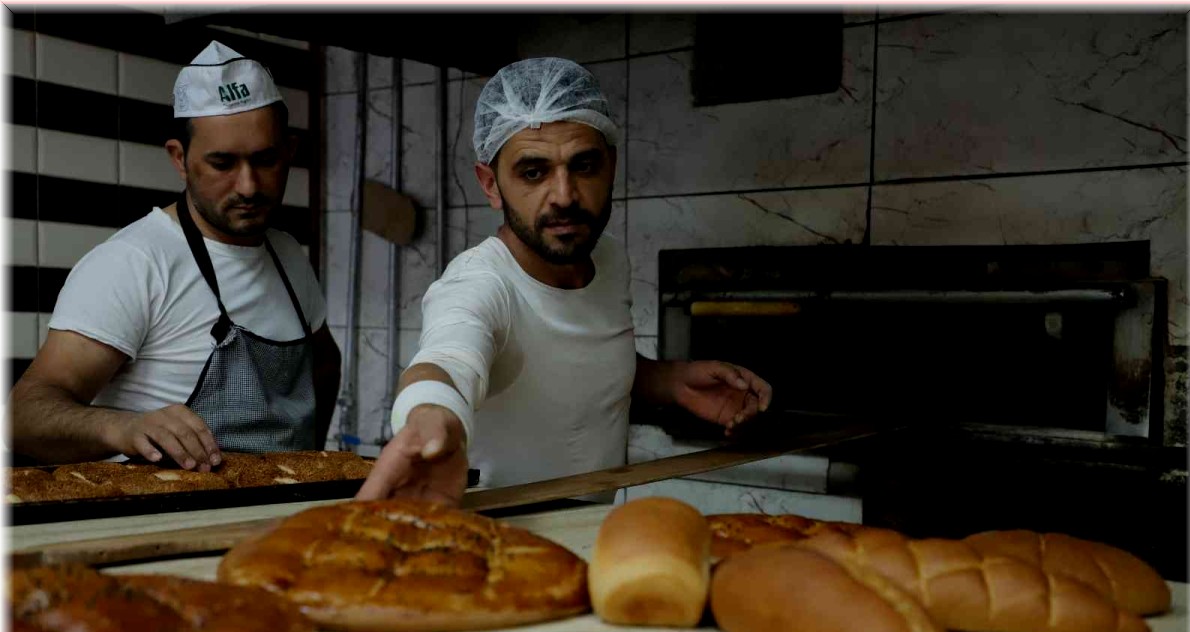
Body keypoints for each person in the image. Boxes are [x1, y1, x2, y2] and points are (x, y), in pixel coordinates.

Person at [356, 57, 772, 504]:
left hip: (585, 537)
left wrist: (669, 380)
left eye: (584, 165)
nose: (565, 196)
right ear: (490, 184)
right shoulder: (480, 283)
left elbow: (571, 360)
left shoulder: (607, 258)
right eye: (533, 172)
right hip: (498, 549)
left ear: (610, 165)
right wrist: (429, 414)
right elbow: (449, 358)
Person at [8, 41, 340, 471]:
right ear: (180, 159)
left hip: (283, 519)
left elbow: (325, 365)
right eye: (222, 164)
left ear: (290, 153)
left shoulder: (287, 254)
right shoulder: (134, 263)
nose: (248, 186)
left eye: (265, 160)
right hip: (172, 525)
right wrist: (122, 428)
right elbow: (23, 416)